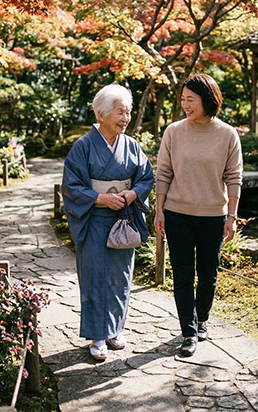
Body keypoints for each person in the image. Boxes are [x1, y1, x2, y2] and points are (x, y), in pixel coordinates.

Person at [62, 84, 154, 362]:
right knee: (95, 276)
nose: (126, 118)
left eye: (128, 112)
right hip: (94, 220)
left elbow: (146, 177)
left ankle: (115, 330)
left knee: (120, 277)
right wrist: (100, 198)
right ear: (101, 114)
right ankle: (97, 336)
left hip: (123, 219)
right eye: (120, 112)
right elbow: (71, 186)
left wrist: (132, 194)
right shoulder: (83, 146)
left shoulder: (131, 145)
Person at [153, 74, 243, 357]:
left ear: (208, 100)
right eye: (183, 99)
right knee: (182, 275)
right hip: (177, 214)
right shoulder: (173, 132)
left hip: (213, 216)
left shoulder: (227, 134)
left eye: (190, 100)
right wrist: (159, 210)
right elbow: (163, 173)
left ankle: (202, 319)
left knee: (208, 274)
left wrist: (232, 216)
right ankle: (188, 332)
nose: (185, 105)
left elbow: (234, 177)